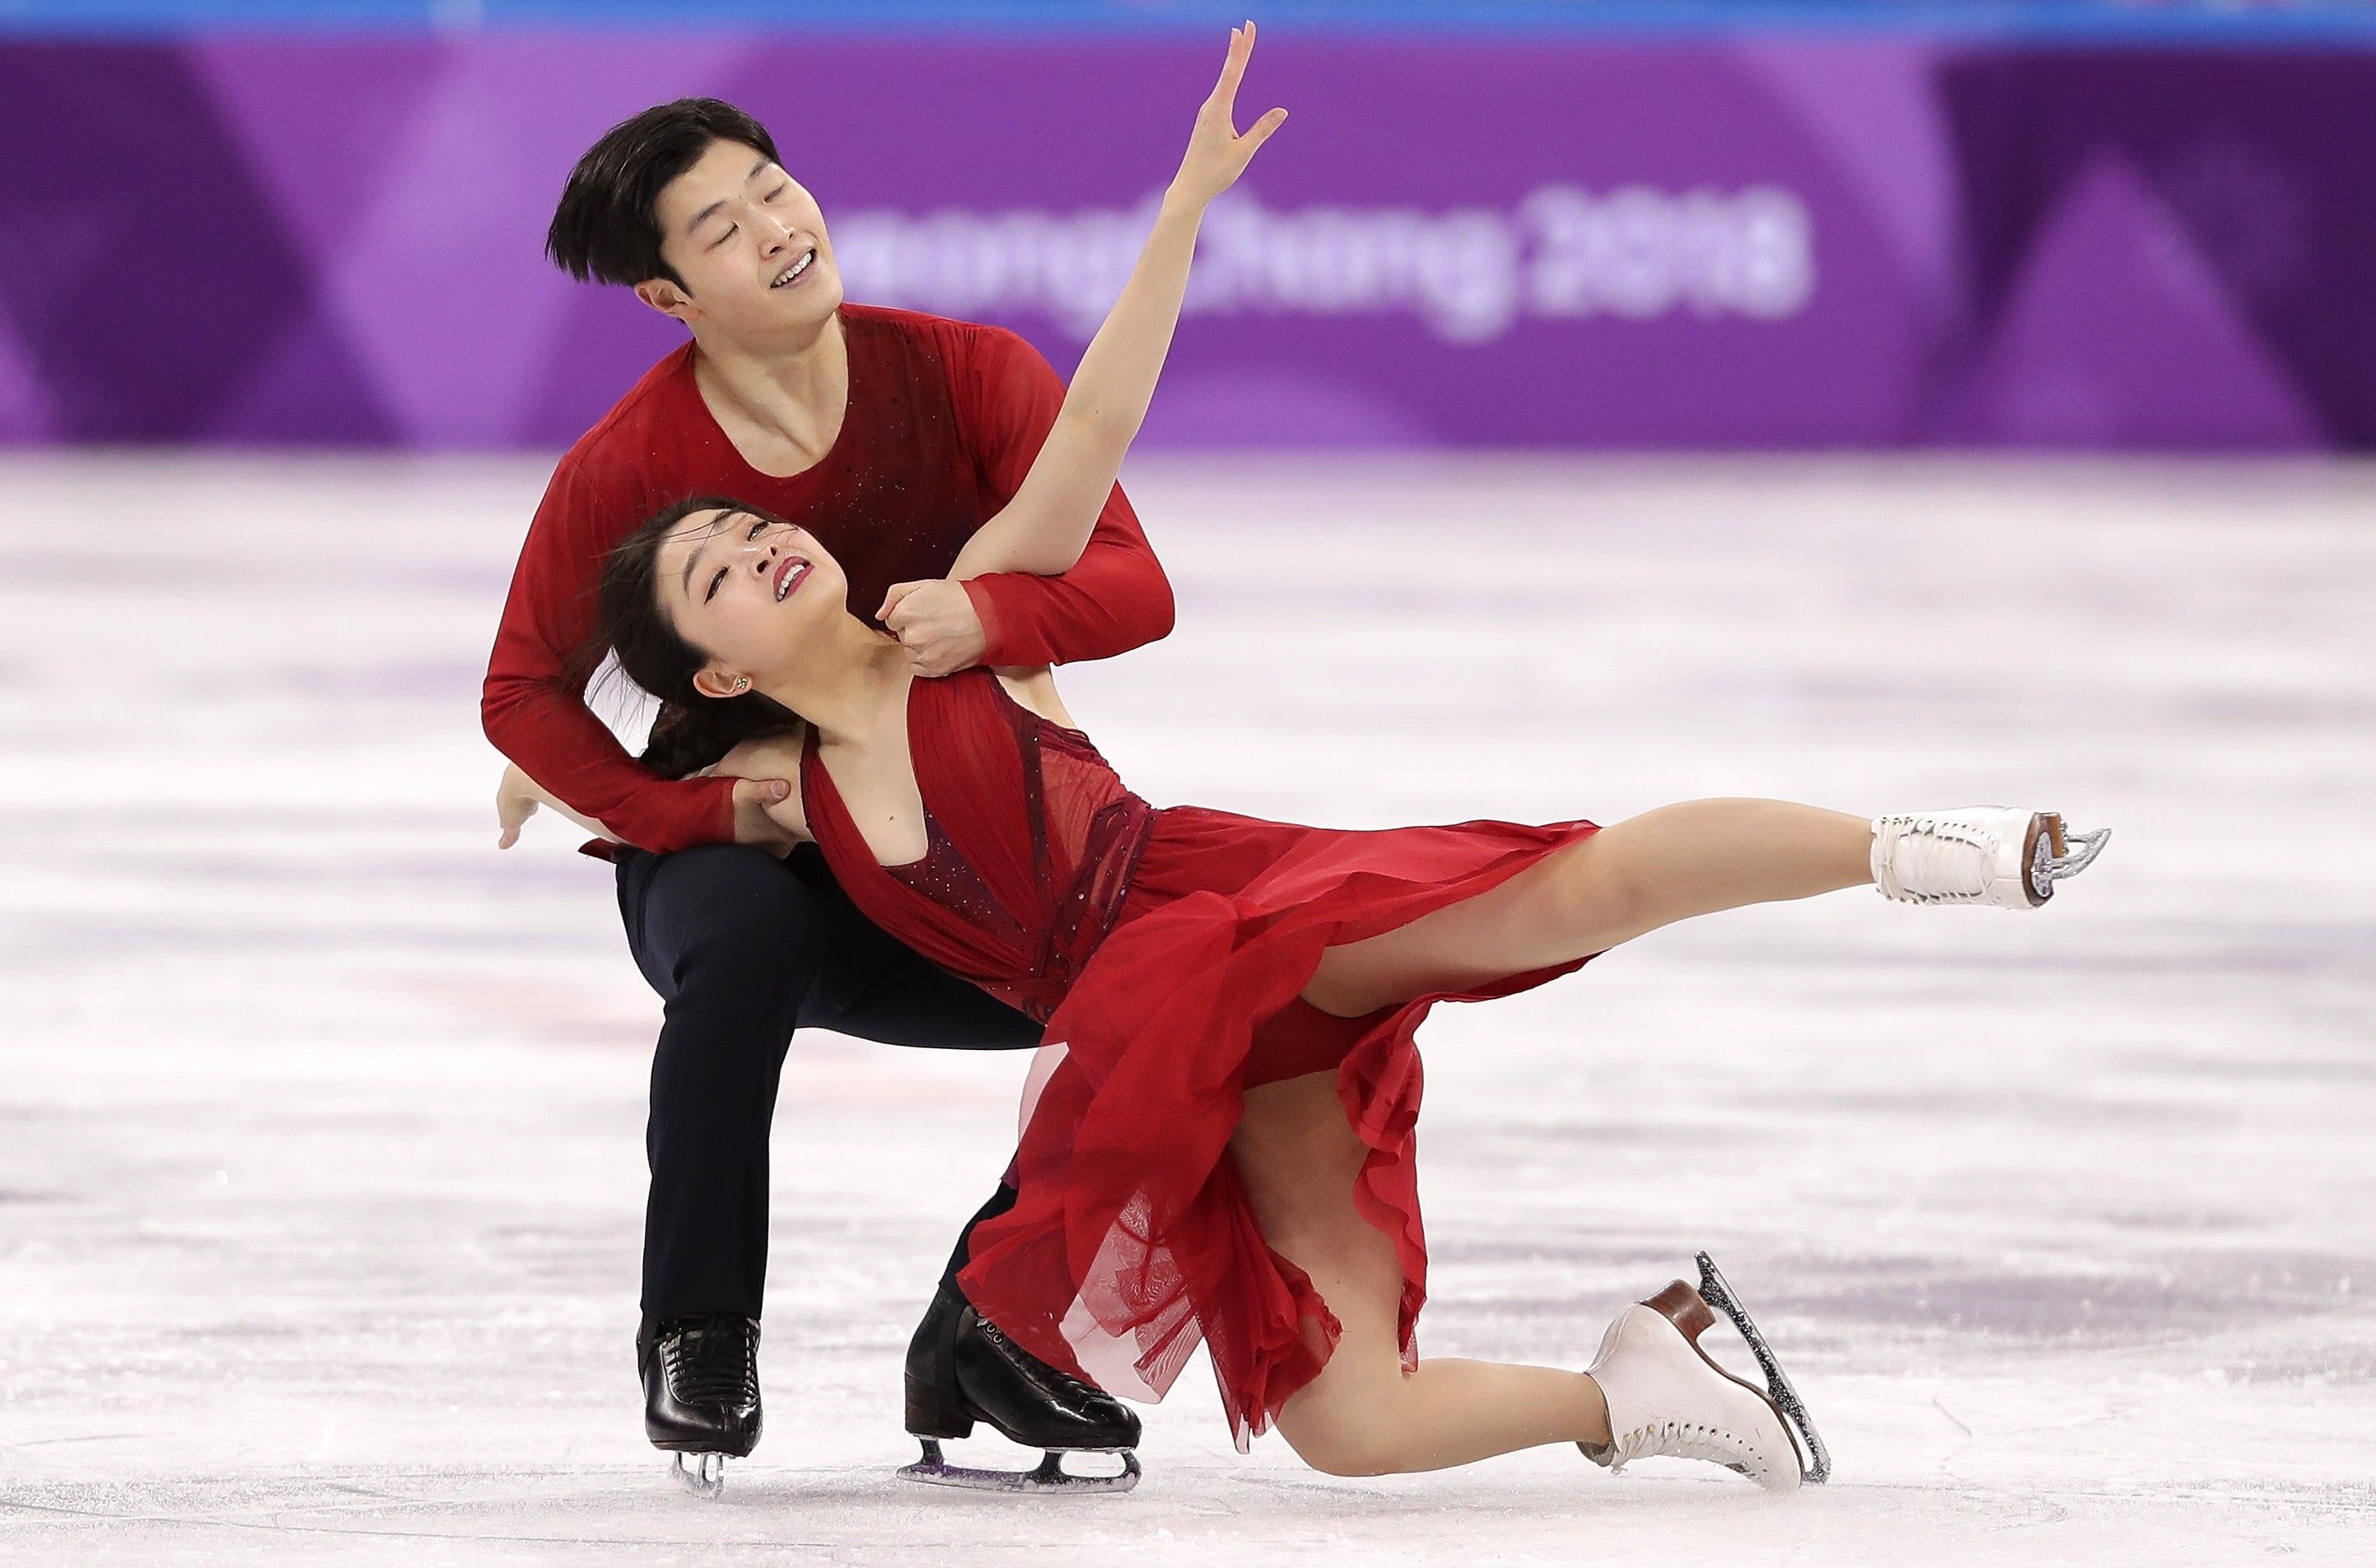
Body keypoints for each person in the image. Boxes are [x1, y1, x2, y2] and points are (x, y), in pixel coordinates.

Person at [506, 23, 2106, 1490]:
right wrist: (620, 784)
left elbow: (1097, 433)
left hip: (1216, 914)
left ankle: (1921, 849)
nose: (754, 540)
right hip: (1150, 1035)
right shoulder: (781, 795)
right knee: (1345, 1421)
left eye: (748, 524)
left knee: (1567, 889)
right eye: (716, 566)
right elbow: (541, 709)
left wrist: (1186, 212)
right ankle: (1633, 1386)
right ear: (713, 667)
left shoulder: (962, 623)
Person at [483, 88, 1173, 1492]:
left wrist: (995, 623)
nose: (779, 229)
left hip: (945, 858)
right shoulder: (627, 467)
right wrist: (698, 816)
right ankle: (696, 1331)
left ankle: (988, 1319)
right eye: (723, 230)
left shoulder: (966, 373)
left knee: (1168, 978)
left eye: (775, 188)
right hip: (750, 862)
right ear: (670, 294)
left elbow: (1130, 583)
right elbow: (519, 695)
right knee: (743, 938)